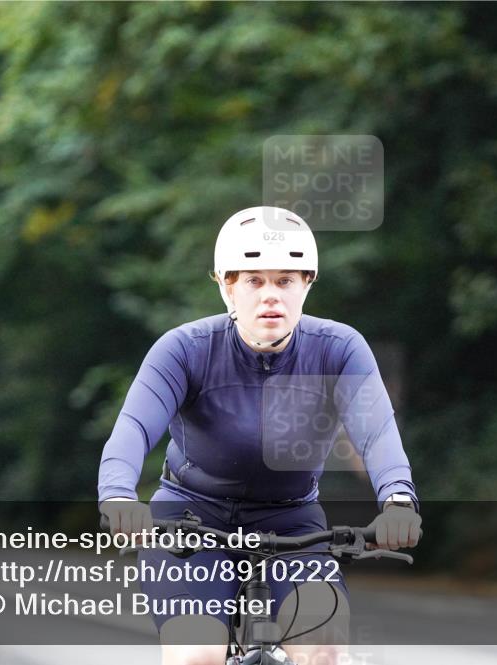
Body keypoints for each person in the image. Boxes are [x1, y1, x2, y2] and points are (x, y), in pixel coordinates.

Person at [99, 206, 421, 665]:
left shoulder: (339, 348)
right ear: (226, 285)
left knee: (324, 652)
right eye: (254, 280)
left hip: (292, 523)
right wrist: (117, 498)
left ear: (307, 284)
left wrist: (398, 502)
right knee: (198, 657)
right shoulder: (184, 349)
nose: (271, 295)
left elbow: (378, 433)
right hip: (189, 524)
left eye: (285, 280)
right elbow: (132, 428)